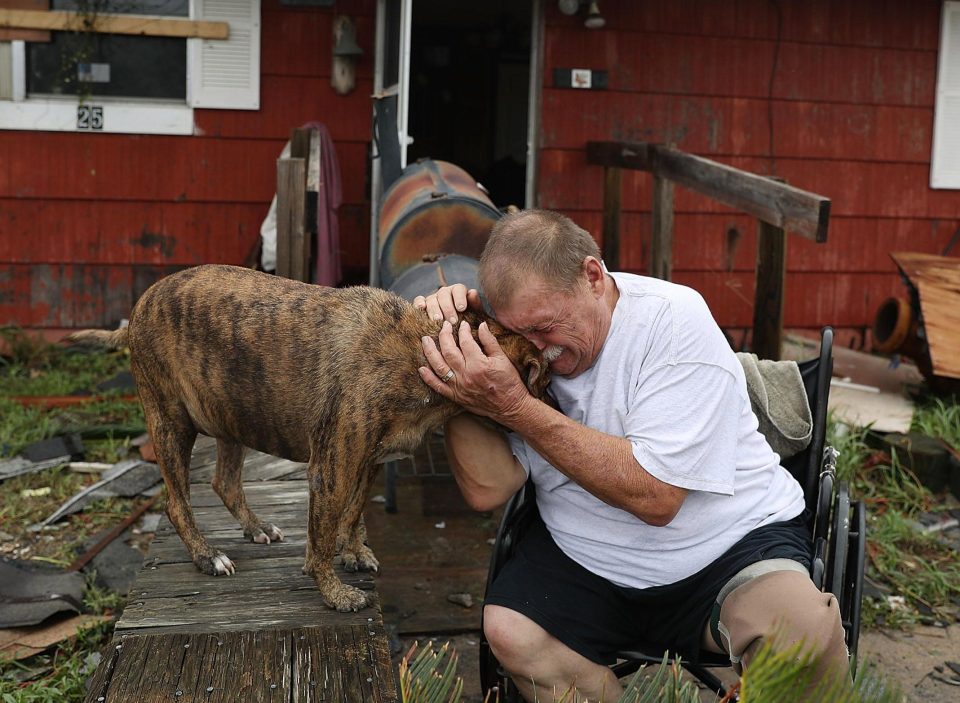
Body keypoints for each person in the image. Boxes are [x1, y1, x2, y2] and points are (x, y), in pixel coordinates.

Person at [413, 209, 849, 702]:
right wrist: (453, 360)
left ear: (593, 277)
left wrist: (514, 407)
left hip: (727, 546)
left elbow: (656, 496)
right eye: (520, 335)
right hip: (586, 557)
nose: (537, 351)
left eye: (547, 327)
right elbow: (488, 488)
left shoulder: (671, 320)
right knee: (512, 630)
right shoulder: (510, 340)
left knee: (805, 634)